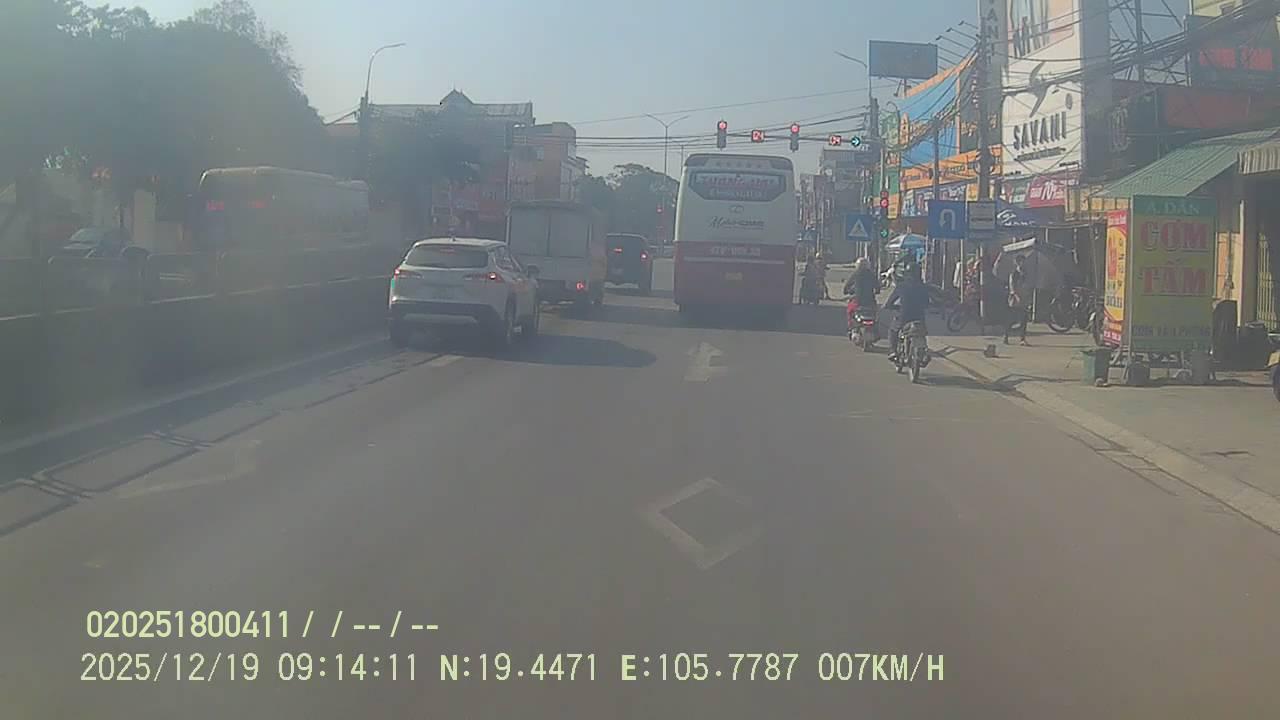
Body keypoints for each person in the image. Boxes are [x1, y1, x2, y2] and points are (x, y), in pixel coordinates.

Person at [884, 262, 930, 363]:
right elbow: (927, 303)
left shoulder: (902, 286)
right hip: (919, 317)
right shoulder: (923, 286)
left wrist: (889, 306)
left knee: (893, 330)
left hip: (904, 317)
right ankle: (924, 353)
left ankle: (893, 351)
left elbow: (890, 301)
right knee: (922, 332)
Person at [843, 257, 880, 327]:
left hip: (858, 301)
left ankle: (850, 327)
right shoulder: (871, 274)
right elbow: (878, 288)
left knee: (849, 311)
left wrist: (847, 291)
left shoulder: (855, 274)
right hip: (870, 301)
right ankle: (875, 327)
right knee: (875, 313)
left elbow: (846, 287)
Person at [1005, 254, 1030, 345]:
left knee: (1024, 319)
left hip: (1024, 299)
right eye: (1022, 261)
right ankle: (1006, 336)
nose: (1024, 263)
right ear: (1018, 262)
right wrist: (1017, 296)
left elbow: (1027, 285)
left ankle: (1022, 338)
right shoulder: (1014, 274)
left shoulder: (1026, 273)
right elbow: (1012, 287)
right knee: (1012, 319)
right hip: (1015, 300)